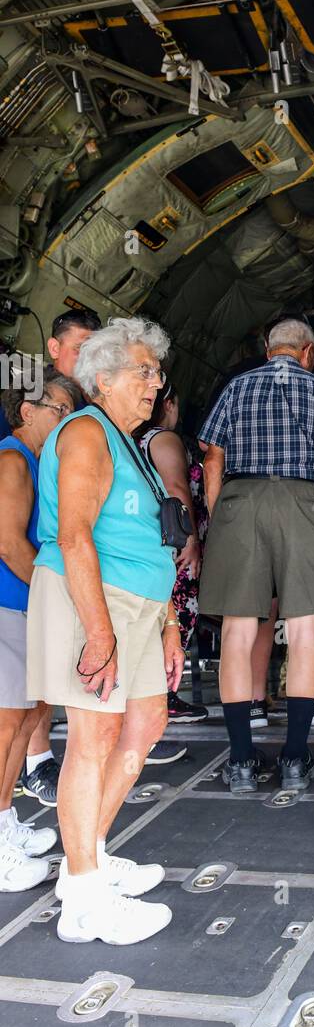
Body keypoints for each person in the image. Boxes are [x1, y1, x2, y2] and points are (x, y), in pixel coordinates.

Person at [26, 317, 184, 944]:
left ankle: (85, 853)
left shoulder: (131, 444)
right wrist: (98, 631)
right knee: (93, 738)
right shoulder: (88, 431)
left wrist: (170, 624)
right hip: (94, 602)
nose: (155, 384)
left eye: (156, 372)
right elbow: (74, 535)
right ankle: (85, 898)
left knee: (147, 723)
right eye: (144, 371)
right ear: (105, 377)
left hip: (141, 606)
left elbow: (154, 539)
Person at [199, 316, 314, 793]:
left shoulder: (234, 388)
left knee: (237, 631)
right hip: (306, 503)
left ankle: (242, 761)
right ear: (307, 351)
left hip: (240, 501)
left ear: (269, 349)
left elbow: (211, 458)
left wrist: (221, 516)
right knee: (306, 629)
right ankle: (294, 758)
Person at [17, 312, 103, 800]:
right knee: (30, 684)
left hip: (65, 559)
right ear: (54, 349)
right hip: (38, 568)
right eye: (80, 347)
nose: (89, 357)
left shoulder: (87, 408)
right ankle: (36, 762)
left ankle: (46, 757)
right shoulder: (29, 426)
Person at [0, 376, 77, 890]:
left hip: (19, 606)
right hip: (8, 605)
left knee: (25, 719)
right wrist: (58, 598)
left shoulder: (30, 462)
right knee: (6, 726)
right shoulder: (12, 459)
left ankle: (4, 820)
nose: (65, 422)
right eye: (61, 410)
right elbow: (8, 543)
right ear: (28, 411)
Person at [137, 382, 209, 724]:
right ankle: (161, 694)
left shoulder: (134, 438)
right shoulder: (163, 438)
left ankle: (158, 693)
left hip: (154, 541)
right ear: (169, 403)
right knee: (177, 614)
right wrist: (190, 540)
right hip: (173, 544)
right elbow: (177, 487)